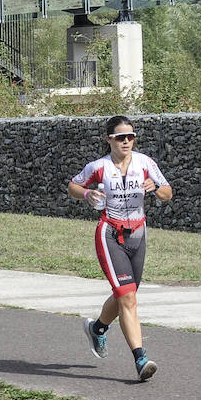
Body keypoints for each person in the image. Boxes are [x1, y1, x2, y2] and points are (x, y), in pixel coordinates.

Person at [69, 115, 172, 381]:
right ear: (109, 139)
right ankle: (141, 359)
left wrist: (156, 186)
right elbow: (73, 185)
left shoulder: (145, 163)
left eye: (130, 137)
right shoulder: (99, 167)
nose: (126, 141)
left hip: (138, 234)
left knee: (125, 294)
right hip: (110, 233)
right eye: (120, 137)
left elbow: (168, 193)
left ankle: (98, 328)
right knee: (127, 297)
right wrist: (87, 194)